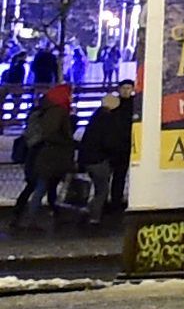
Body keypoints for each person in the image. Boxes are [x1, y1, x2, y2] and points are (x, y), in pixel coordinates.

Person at [11, 83, 75, 227]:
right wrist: (68, 142)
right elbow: (54, 133)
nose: (71, 97)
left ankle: (25, 215)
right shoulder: (58, 111)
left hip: (42, 154)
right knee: (41, 186)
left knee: (41, 186)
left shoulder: (45, 110)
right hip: (50, 156)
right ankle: (30, 219)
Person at [76, 81, 135, 226]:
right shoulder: (123, 107)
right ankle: (100, 211)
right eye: (124, 88)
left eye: (129, 88)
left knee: (111, 181)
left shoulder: (108, 109)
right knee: (107, 183)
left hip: (113, 150)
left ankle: (104, 207)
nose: (126, 91)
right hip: (113, 150)